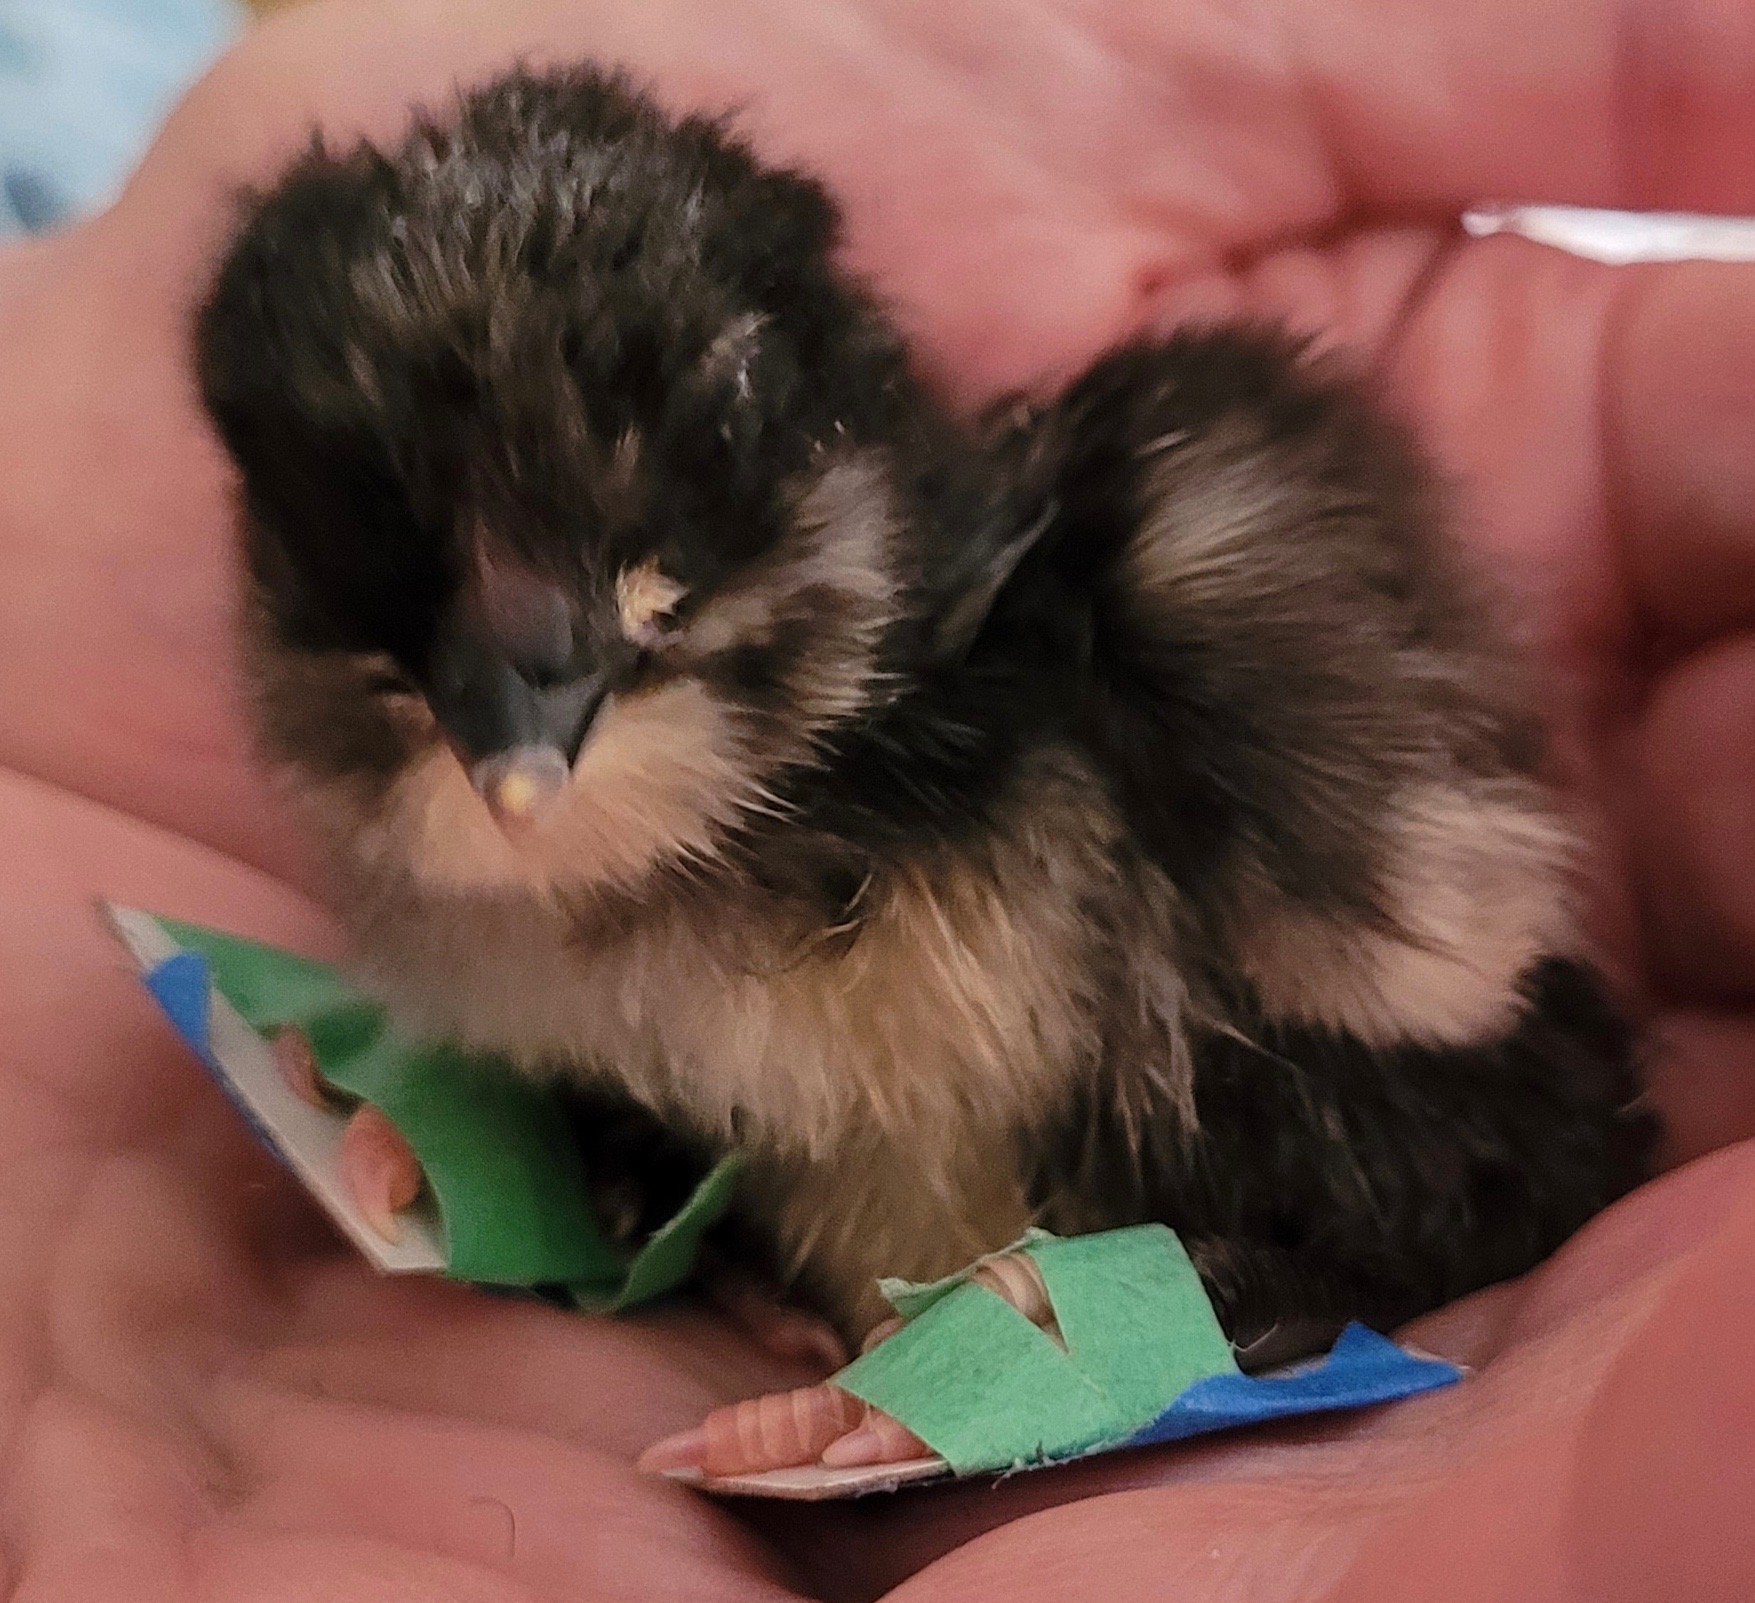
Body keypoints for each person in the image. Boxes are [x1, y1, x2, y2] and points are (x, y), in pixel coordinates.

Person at [3, 0, 1754, 1596]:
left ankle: (1220, 1287)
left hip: (1295, 1156)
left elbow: (1445, 980)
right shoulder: (396, 763)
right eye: (414, 650)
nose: (514, 769)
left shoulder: (1144, 644)